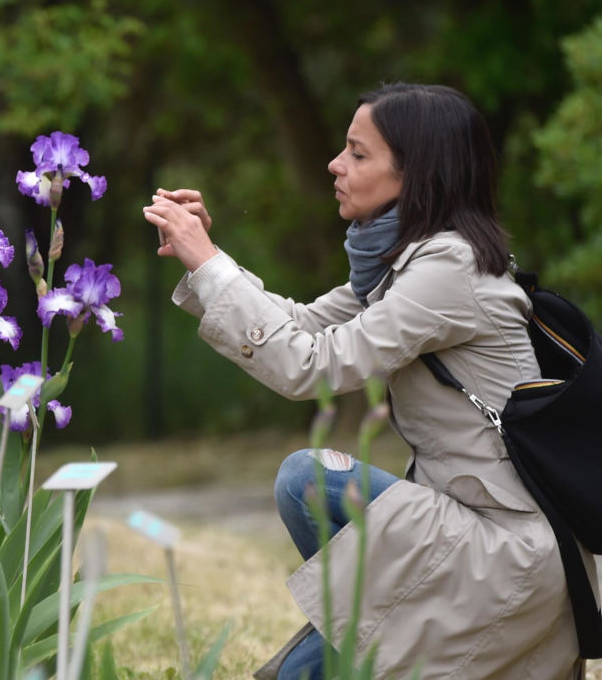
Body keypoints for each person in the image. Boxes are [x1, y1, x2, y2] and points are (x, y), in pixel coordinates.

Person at [142, 82, 595, 679]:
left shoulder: (446, 271)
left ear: (417, 174)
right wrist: (209, 263)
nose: (335, 164)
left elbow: (312, 366)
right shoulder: (407, 265)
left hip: (504, 559)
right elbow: (299, 325)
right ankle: (386, 634)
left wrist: (212, 266)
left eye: (358, 153)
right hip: (469, 540)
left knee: (308, 481)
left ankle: (390, 636)